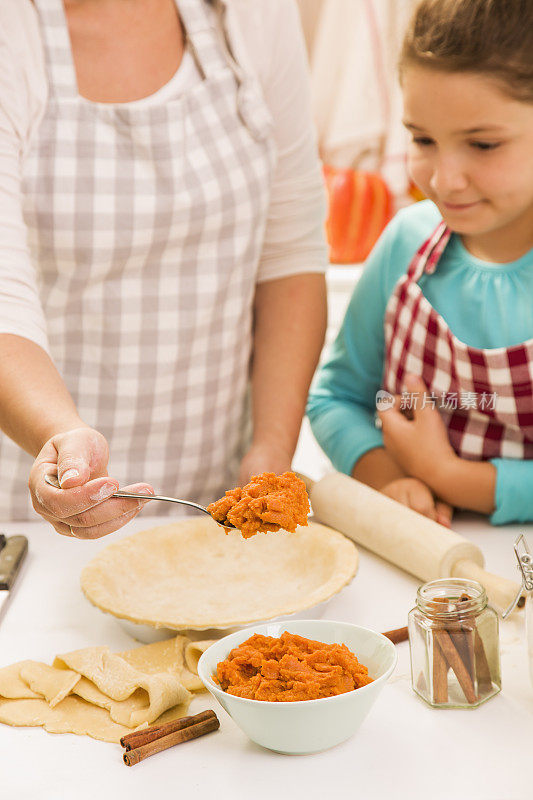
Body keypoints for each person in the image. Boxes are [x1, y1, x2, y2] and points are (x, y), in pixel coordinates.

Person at [0, 0, 327, 537]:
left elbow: (289, 253)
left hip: (214, 501)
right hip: (29, 520)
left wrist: (270, 449)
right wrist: (61, 436)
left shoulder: (252, 14)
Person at [307, 0, 533, 526]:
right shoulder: (405, 242)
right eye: (423, 139)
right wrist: (386, 476)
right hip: (419, 557)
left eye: (482, 144)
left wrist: (452, 477)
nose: (444, 179)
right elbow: (335, 398)